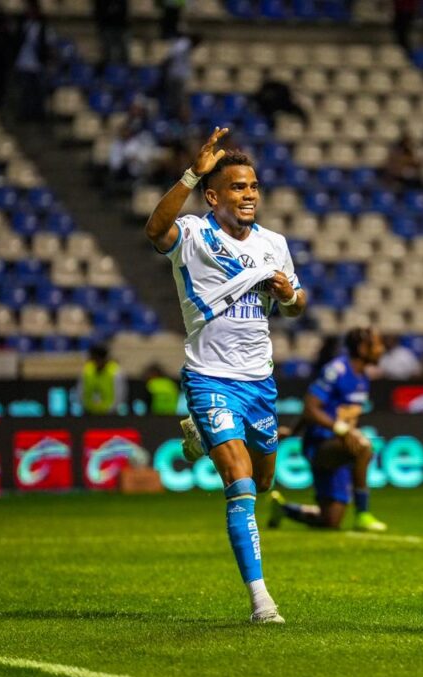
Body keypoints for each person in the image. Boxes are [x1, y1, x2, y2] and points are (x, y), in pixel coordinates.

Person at [146, 127, 306, 624]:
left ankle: (196, 439)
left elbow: (298, 306)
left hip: (259, 382)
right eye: (238, 187)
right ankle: (261, 600)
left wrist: (287, 296)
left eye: (254, 186)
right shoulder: (193, 234)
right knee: (239, 485)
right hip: (209, 376)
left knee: (262, 479)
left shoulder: (274, 245)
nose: (250, 194)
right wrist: (192, 172)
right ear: (213, 196)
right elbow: (155, 230)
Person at [268, 327, 388, 532]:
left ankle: (284, 510)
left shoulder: (363, 377)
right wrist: (339, 429)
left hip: (341, 446)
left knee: (330, 521)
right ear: (361, 348)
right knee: (364, 448)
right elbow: (311, 407)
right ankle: (362, 514)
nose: (381, 349)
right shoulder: (337, 371)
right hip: (320, 444)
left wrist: (293, 430)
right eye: (377, 344)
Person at [76, 344, 127, 415]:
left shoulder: (115, 371)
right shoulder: (87, 370)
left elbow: (120, 394)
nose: (95, 362)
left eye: (96, 359)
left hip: (109, 414)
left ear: (103, 359)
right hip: (89, 413)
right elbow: (80, 391)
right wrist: (84, 408)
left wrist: (111, 409)